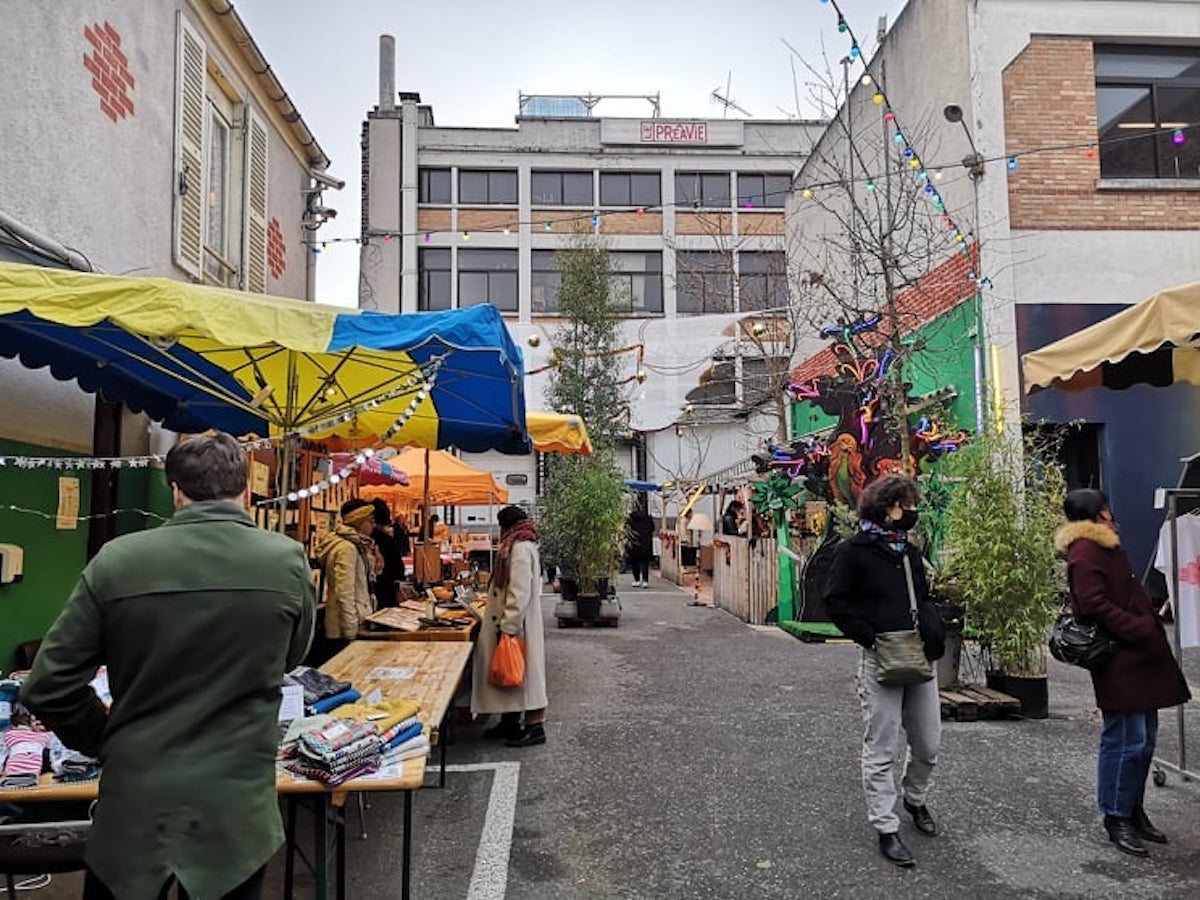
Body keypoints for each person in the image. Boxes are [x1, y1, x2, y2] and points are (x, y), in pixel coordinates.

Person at [19, 432, 315, 900]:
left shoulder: (118, 560)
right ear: (247, 490)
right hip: (235, 805)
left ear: (175, 490)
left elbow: (47, 685)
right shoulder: (285, 561)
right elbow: (292, 658)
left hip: (135, 801)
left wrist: (103, 736)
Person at [1056, 488, 1191, 857]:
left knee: (1143, 739)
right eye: (1107, 509)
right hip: (1120, 658)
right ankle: (1116, 816)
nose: (1112, 514)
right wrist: (1137, 626)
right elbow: (1091, 604)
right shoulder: (1085, 550)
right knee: (1124, 740)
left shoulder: (1105, 545)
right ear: (1099, 514)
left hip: (1138, 658)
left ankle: (1133, 809)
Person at [824, 474, 945, 869]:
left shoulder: (907, 552)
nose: (910, 513)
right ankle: (886, 826)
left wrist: (933, 631)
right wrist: (869, 637)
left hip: (919, 654)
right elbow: (836, 601)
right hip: (880, 656)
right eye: (904, 505)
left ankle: (915, 798)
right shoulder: (854, 551)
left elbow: (922, 597)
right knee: (882, 743)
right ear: (885, 507)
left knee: (928, 742)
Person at [472, 505, 548, 747]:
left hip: (517, 624)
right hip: (517, 622)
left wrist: (509, 625)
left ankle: (534, 727)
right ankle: (510, 721)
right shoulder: (522, 544)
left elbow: (519, 591)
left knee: (520, 674)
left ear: (505, 527)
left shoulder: (519, 548)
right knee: (513, 675)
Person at [315, 498, 377, 656]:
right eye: (370, 521)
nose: (373, 525)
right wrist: (351, 631)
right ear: (359, 521)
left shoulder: (355, 546)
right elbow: (345, 591)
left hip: (351, 620)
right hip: (345, 628)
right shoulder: (347, 548)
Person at [370, 498, 405, 608]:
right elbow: (399, 570)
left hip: (370, 594)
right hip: (386, 592)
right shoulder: (387, 541)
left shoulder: (364, 540)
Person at [626, 503, 656, 588]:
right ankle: (645, 581)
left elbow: (627, 530)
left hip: (634, 543)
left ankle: (637, 580)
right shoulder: (648, 518)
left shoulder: (630, 519)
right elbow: (652, 528)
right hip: (645, 543)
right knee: (645, 563)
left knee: (635, 562)